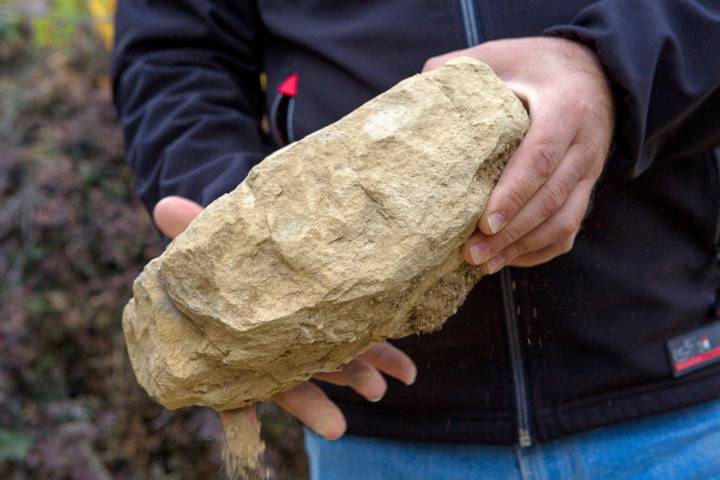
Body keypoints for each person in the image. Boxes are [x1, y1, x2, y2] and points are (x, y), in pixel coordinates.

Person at [112, 1, 720, 478]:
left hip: (681, 403)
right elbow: (176, 54)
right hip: (383, 435)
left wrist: (615, 71)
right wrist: (245, 236)